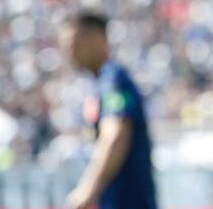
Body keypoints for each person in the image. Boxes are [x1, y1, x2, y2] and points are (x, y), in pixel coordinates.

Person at [60, 12, 157, 209]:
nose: (70, 53)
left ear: (97, 39)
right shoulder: (99, 84)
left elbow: (115, 135)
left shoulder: (113, 80)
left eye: (74, 45)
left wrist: (87, 190)